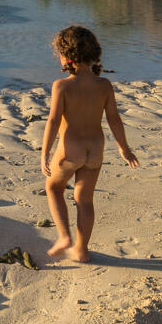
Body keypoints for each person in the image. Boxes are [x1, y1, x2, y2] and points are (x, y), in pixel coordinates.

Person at [39, 25, 138, 263]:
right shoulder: (104, 86)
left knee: (53, 188)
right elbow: (114, 120)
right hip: (95, 151)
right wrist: (125, 149)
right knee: (84, 199)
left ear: (64, 56)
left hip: (68, 149)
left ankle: (64, 237)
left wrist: (45, 154)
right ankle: (82, 250)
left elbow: (53, 121)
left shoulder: (61, 86)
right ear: (94, 54)